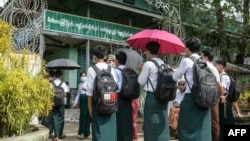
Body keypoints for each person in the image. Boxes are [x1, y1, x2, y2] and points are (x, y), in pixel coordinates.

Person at [172, 37, 212, 141]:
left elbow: (175, 77)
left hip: (191, 98)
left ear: (187, 49)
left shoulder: (186, 61)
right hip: (205, 98)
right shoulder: (204, 62)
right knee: (202, 127)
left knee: (186, 126)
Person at [137, 41, 170, 141]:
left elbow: (141, 81)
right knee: (162, 118)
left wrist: (140, 70)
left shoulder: (148, 64)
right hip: (163, 97)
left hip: (152, 97)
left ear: (147, 51)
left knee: (151, 121)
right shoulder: (165, 64)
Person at [86, 45, 118, 141]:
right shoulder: (111, 68)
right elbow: (116, 88)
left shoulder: (92, 69)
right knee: (111, 132)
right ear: (105, 56)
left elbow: (90, 92)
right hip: (111, 104)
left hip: (98, 106)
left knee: (99, 132)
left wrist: (90, 109)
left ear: (94, 57)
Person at [215, 59, 243, 141]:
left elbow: (222, 89)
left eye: (217, 65)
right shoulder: (220, 76)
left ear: (221, 66)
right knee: (222, 120)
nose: (216, 67)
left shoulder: (224, 77)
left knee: (224, 120)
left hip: (223, 100)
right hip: (223, 101)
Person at [201, 50, 224, 141]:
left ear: (206, 57)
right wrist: (221, 96)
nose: (201, 57)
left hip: (204, 97)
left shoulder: (207, 67)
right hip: (213, 97)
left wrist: (221, 95)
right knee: (214, 121)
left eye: (202, 56)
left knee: (211, 121)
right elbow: (219, 85)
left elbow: (219, 84)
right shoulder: (212, 68)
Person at [114, 51, 133, 141]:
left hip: (119, 98)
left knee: (119, 120)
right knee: (128, 120)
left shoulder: (116, 71)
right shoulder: (130, 70)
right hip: (129, 98)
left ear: (117, 60)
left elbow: (114, 85)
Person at [73, 72, 91, 139]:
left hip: (87, 99)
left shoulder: (89, 83)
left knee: (87, 116)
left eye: (85, 75)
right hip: (82, 100)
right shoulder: (80, 84)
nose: (83, 77)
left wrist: (86, 89)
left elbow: (91, 91)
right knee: (82, 116)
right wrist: (75, 102)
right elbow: (78, 94)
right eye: (82, 75)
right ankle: (81, 132)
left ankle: (86, 132)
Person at [52, 70, 69, 141]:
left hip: (53, 103)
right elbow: (65, 94)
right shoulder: (63, 84)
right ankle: (59, 135)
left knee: (55, 118)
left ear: (54, 76)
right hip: (61, 103)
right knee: (61, 118)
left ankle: (56, 135)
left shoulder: (51, 83)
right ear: (61, 76)